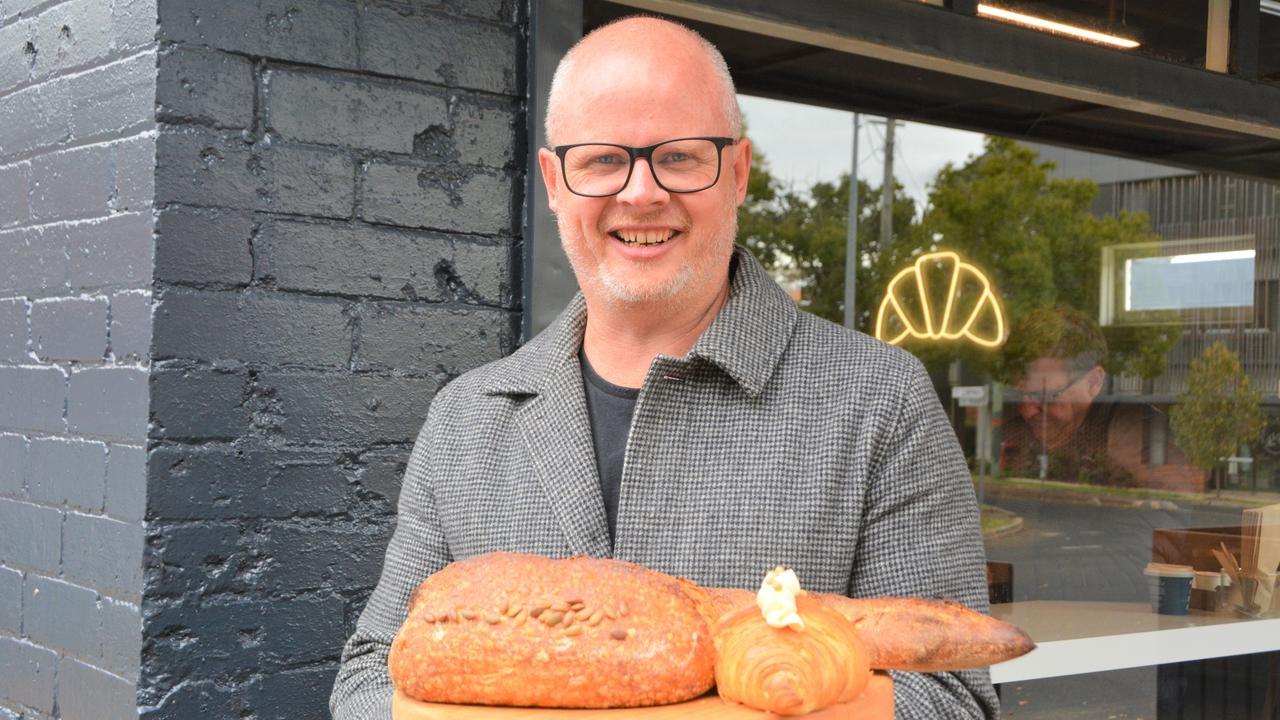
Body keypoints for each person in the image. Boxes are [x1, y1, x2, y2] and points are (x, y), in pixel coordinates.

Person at [331, 16, 996, 719]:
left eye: (679, 157)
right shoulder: (469, 415)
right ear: (555, 182)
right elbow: (371, 674)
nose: (641, 193)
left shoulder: (878, 403)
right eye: (602, 159)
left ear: (738, 172)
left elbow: (952, 697)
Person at [999, 306, 1119, 483]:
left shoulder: (1129, 436)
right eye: (1015, 394)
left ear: (1093, 383)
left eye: (1044, 396)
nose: (1028, 411)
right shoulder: (1010, 438)